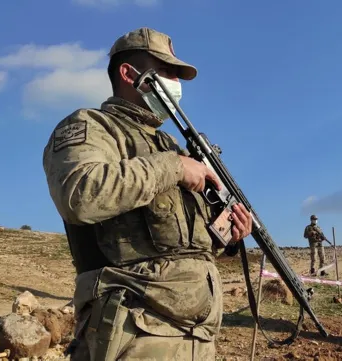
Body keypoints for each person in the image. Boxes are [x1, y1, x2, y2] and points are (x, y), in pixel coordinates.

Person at [41, 27, 253, 361]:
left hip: (197, 337)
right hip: (134, 332)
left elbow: (180, 243)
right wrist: (175, 168)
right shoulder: (91, 126)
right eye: (167, 72)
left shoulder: (169, 146)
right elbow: (79, 195)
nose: (176, 84)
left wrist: (228, 233)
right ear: (129, 74)